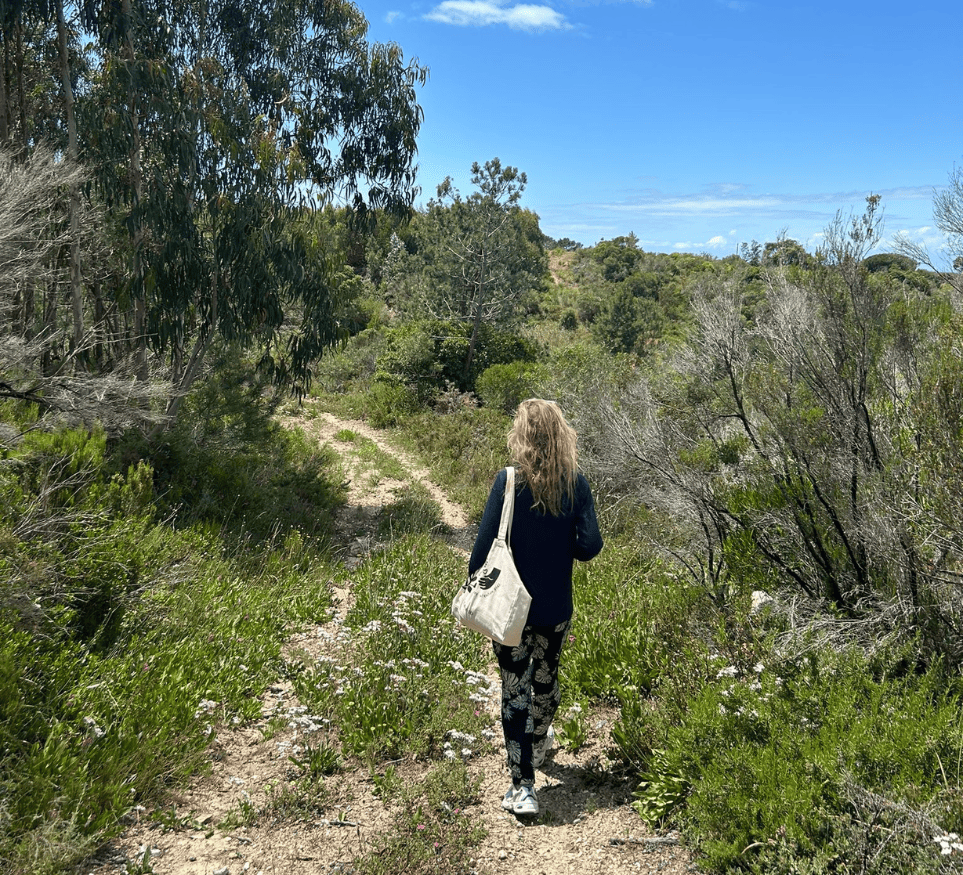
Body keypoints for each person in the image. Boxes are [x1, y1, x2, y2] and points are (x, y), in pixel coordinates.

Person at [468, 398, 603, 816]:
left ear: (521, 436)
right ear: (561, 435)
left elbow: (482, 551)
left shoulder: (507, 481)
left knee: (514, 690)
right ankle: (540, 740)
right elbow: (590, 546)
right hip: (555, 607)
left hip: (510, 609)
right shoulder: (575, 484)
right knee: (545, 681)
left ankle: (522, 786)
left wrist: (476, 585)